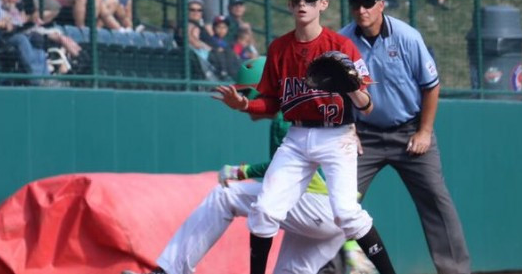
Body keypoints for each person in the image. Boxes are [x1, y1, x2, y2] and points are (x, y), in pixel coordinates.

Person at [212, 0, 399, 274]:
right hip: (297, 137)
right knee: (264, 210)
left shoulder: (341, 46)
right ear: (289, 4)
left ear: (323, 4)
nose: (302, 2)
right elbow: (272, 101)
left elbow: (367, 106)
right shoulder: (279, 48)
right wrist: (245, 103)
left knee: (347, 214)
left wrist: (352, 88)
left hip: (337, 137)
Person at [130, 59, 354, 274]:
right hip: (336, 216)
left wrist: (242, 171)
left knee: (224, 196)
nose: (242, 101)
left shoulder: (285, 117)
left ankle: (170, 271)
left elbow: (282, 169)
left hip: (317, 206)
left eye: (246, 93)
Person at [339, 0, 471, 274]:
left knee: (437, 201)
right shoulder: (343, 42)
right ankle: (334, 268)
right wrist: (350, 129)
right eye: (356, 4)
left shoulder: (407, 37)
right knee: (337, 201)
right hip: (364, 137)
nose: (362, 11)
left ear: (381, 5)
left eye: (368, 4)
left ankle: (456, 271)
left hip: (409, 131)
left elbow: (431, 86)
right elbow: (336, 92)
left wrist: (424, 132)